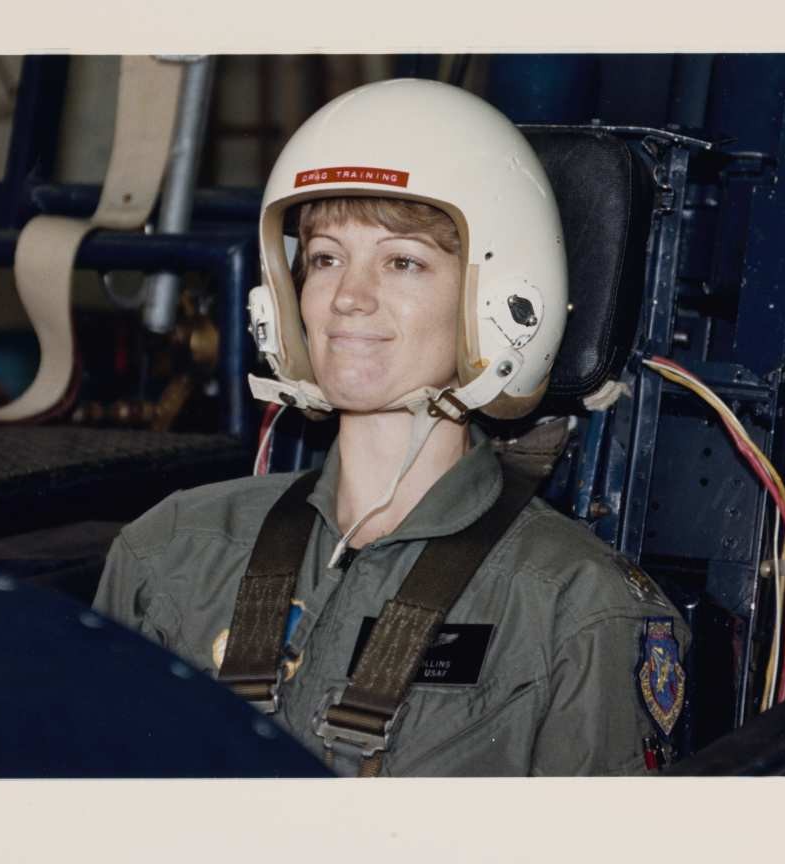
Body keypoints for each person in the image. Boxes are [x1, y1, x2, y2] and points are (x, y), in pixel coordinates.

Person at [94, 78, 690, 776]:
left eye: (403, 262)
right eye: (326, 258)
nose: (348, 297)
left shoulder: (575, 611)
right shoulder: (171, 551)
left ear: (500, 301)